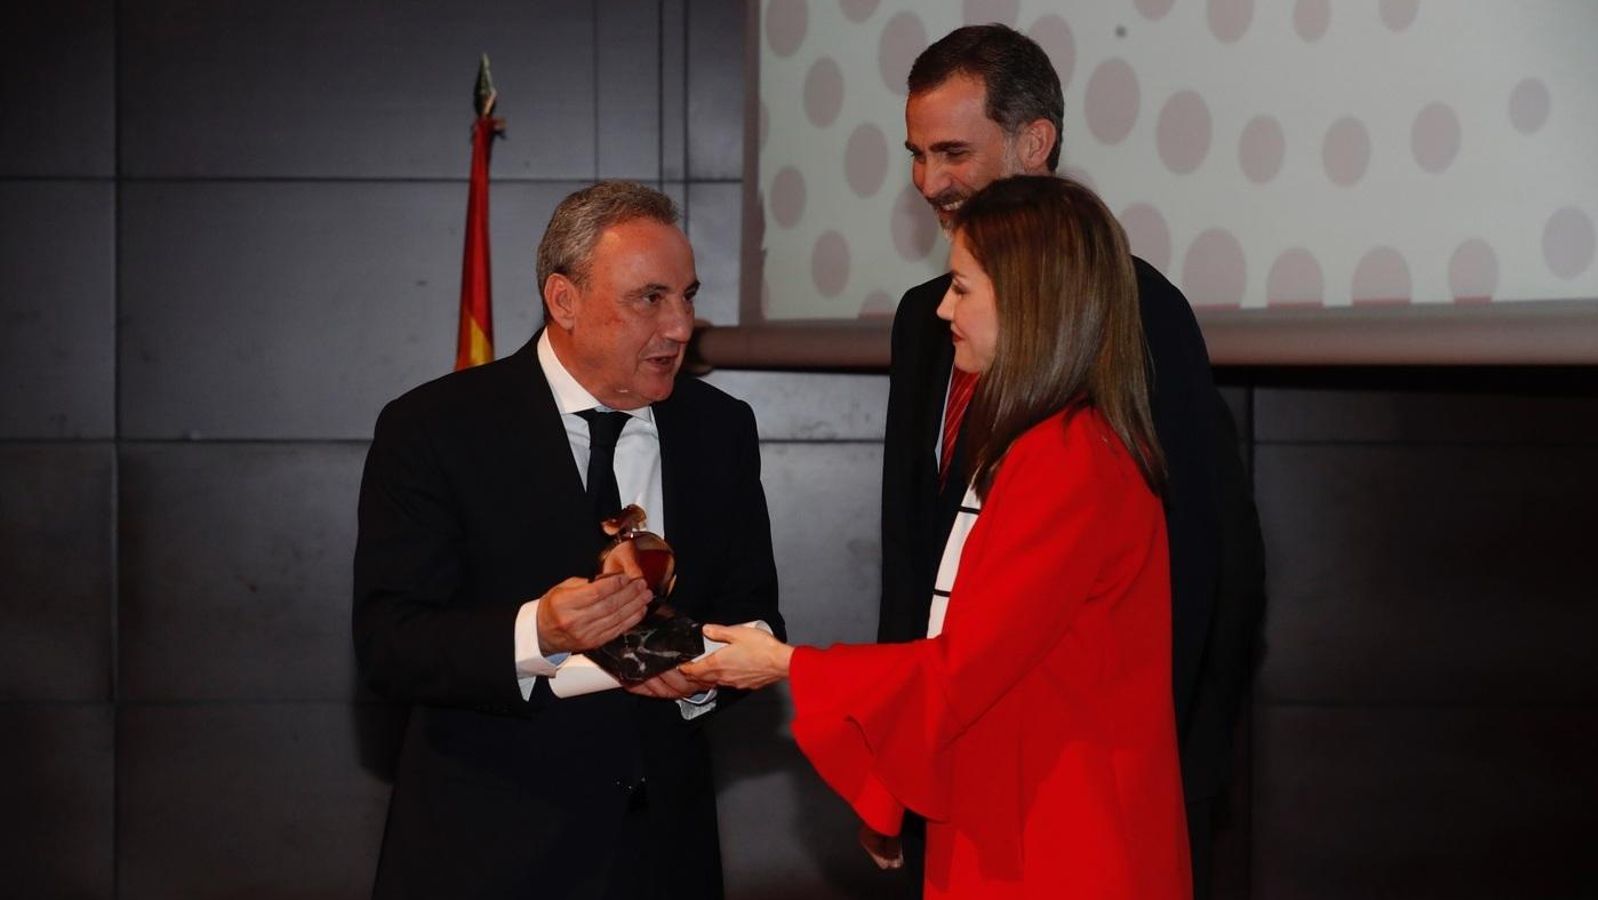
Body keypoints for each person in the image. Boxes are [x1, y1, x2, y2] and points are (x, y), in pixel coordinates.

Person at [686, 174, 1191, 899]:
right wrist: (891, 788)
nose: (944, 309)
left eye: (962, 287)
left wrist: (788, 664)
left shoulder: (1069, 459)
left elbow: (965, 668)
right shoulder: (1036, 441)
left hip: (1057, 839)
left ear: (1028, 300)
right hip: (1010, 811)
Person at [876, 24, 1266, 895]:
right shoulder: (922, 318)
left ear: (1035, 143)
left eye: (952, 151)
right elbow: (914, 556)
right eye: (915, 154)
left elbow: (1212, 566)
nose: (929, 181)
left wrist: (1173, 777)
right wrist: (895, 761)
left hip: (1083, 795)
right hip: (949, 773)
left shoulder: (1139, 311)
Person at [352, 180, 783, 899]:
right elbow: (389, 644)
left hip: (664, 856)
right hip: (487, 856)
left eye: (687, 296)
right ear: (565, 301)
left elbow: (753, 614)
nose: (680, 326)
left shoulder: (720, 429)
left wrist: (700, 681)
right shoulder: (435, 428)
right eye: (651, 298)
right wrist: (538, 632)